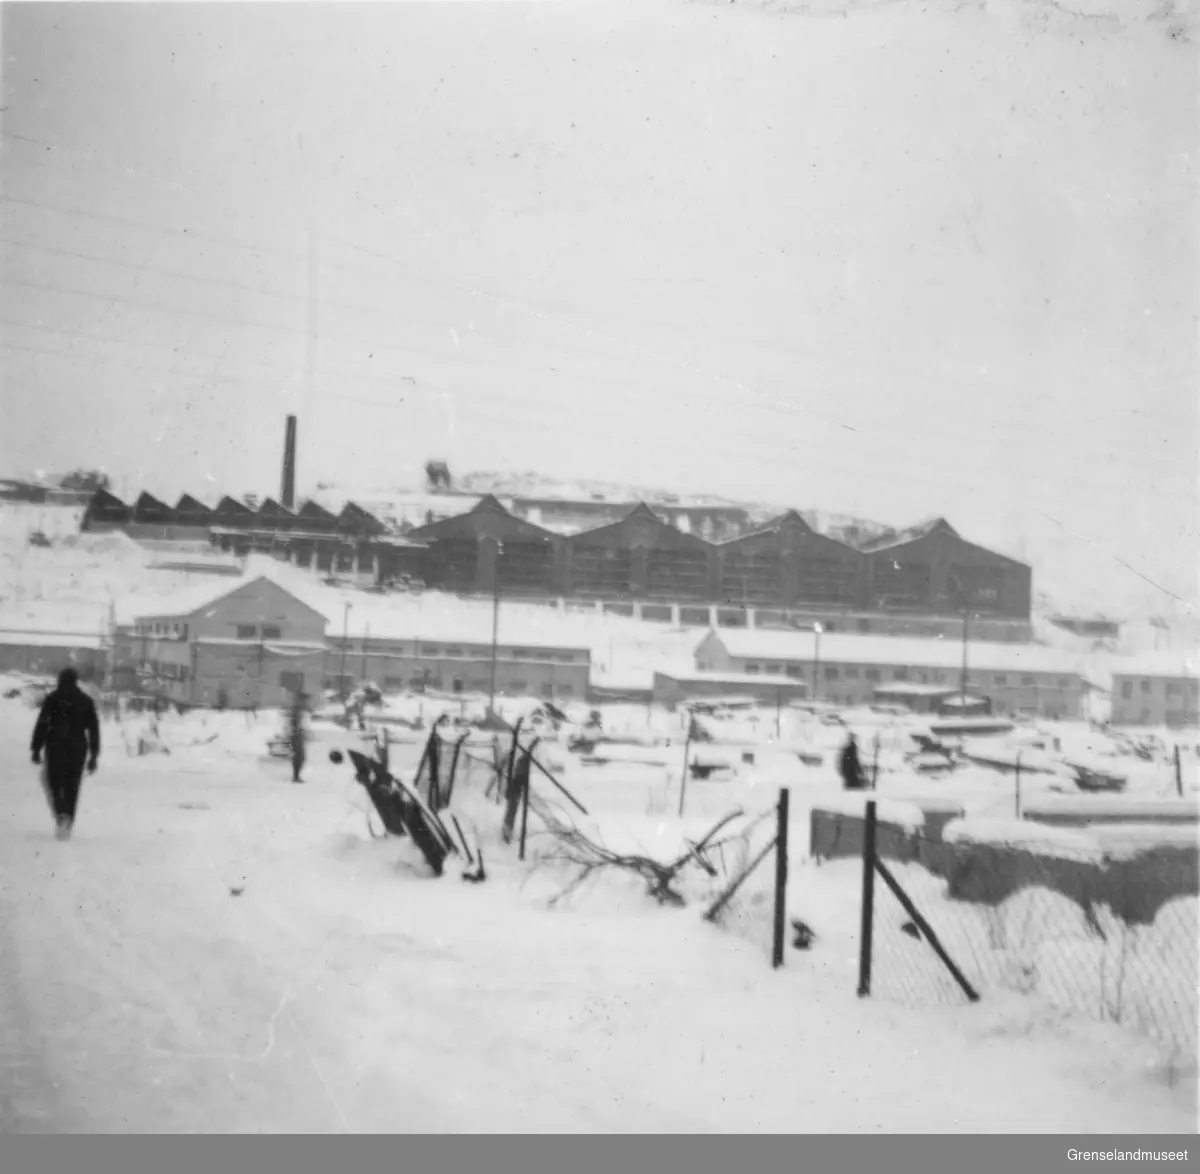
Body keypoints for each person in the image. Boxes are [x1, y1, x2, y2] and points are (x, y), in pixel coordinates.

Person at [31, 667, 101, 840]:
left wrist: (36, 748)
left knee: (54, 782)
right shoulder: (85, 701)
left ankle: (61, 813)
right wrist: (93, 755)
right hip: (77, 748)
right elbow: (93, 730)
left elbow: (42, 724)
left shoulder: (53, 700)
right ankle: (68, 818)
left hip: (55, 746)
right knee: (72, 785)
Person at [289, 690, 307, 784]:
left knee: (300, 757)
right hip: (297, 736)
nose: (305, 702)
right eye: (304, 700)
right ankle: (295, 776)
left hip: (298, 735)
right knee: (299, 757)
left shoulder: (298, 709)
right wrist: (297, 733)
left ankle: (296, 776)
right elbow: (294, 724)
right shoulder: (297, 710)